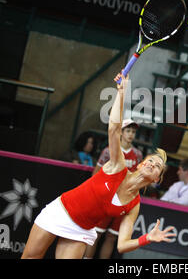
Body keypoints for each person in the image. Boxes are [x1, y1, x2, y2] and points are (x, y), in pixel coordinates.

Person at [21, 73, 175, 259]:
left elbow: (123, 245)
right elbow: (114, 129)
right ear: (140, 164)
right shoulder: (118, 166)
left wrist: (147, 238)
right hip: (61, 211)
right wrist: (122, 93)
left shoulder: (134, 205)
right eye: (150, 160)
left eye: (157, 165)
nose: (152, 164)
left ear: (157, 179)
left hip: (81, 230)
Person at [84, 119, 143, 259]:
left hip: (123, 202)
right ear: (121, 133)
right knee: (95, 234)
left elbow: (138, 179)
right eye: (128, 131)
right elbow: (96, 174)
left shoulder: (138, 155)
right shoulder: (108, 150)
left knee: (111, 237)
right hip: (105, 199)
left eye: (133, 132)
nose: (131, 134)